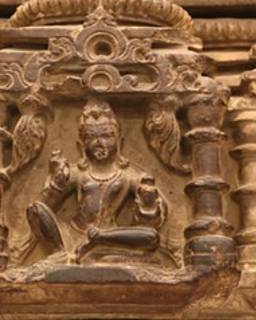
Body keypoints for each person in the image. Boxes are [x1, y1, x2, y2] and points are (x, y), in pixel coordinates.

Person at [20, 97, 166, 264]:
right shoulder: (76, 173)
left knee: (150, 236)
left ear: (119, 142)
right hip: (73, 235)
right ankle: (61, 253)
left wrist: (149, 204)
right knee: (35, 210)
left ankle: (97, 241)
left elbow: (156, 217)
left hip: (110, 236)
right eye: (91, 137)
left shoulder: (129, 176)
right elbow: (44, 206)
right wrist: (56, 183)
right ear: (81, 144)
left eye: (106, 136)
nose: (99, 142)